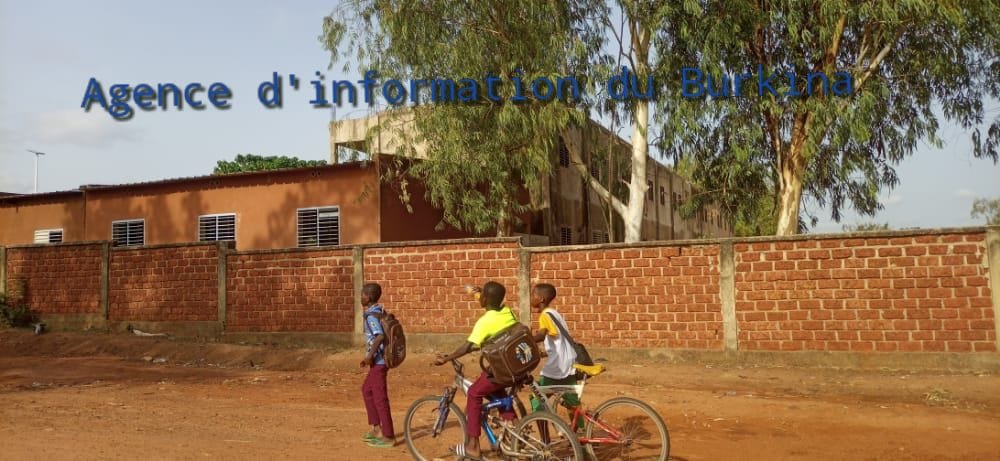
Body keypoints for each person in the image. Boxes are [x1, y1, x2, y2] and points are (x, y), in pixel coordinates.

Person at [433, 281, 519, 460]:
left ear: (485, 299)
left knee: (474, 393)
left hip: (501, 369)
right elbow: (491, 328)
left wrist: (447, 358)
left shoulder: (485, 322)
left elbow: (467, 346)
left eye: (482, 296)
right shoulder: (507, 311)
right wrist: (477, 293)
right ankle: (517, 432)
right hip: (513, 366)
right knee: (498, 393)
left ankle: (473, 446)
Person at [528, 283, 583, 430]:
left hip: (557, 367)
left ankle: (545, 441)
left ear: (541, 299)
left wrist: (524, 340)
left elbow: (541, 335)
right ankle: (580, 434)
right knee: (572, 401)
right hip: (569, 363)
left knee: (537, 400)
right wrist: (545, 353)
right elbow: (560, 341)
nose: (531, 297)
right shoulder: (555, 314)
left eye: (533, 295)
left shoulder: (545, 315)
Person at [359, 282, 395, 448]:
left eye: (362, 295)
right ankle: (375, 428)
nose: (361, 297)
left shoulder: (372, 316)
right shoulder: (380, 311)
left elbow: (379, 336)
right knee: (367, 390)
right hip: (378, 362)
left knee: (380, 398)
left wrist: (369, 357)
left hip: (379, 362)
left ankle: (388, 436)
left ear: (368, 297)